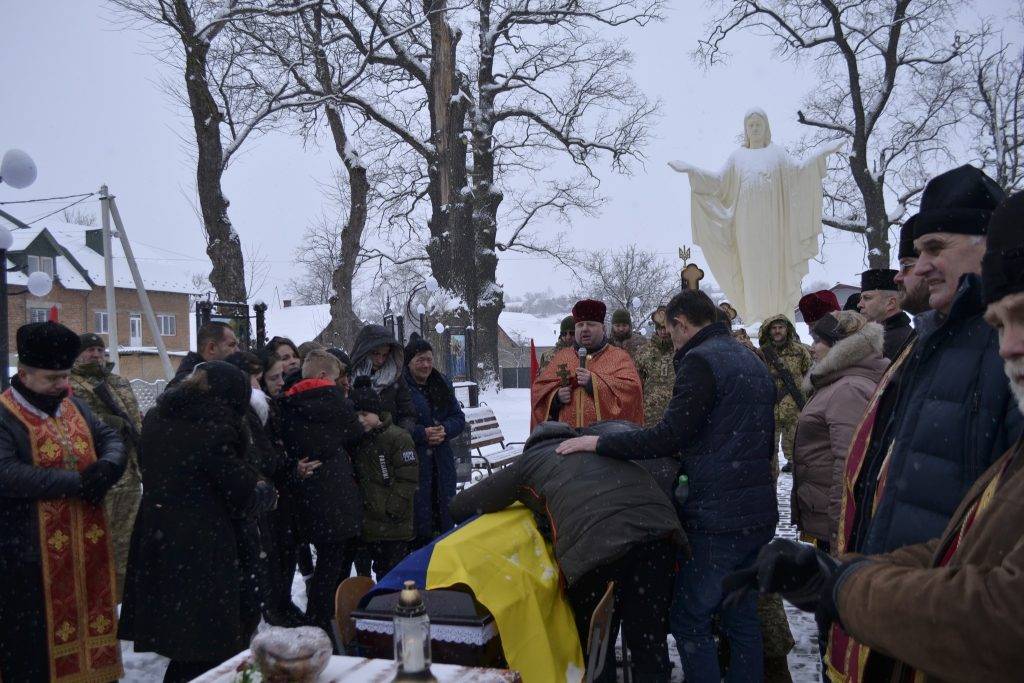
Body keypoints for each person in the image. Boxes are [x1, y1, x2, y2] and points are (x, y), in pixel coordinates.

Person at [728, 188, 1024, 683]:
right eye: (1001, 324)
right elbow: (967, 544)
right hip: (909, 620)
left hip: (934, 637)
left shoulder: (974, 359)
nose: (1011, 346)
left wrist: (846, 585)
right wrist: (839, 572)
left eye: (934, 248)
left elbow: (1004, 617)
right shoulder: (931, 344)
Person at [557, 289, 778, 683]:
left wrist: (600, 442)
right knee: (739, 615)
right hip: (757, 511)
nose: (671, 339)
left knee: (690, 617)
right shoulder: (749, 357)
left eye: (670, 330)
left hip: (717, 516)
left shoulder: (701, 361)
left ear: (679, 323)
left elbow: (670, 435)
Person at [859, 165, 1021, 557]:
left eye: (935, 248)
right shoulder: (937, 336)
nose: (922, 266)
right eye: (918, 253)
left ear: (987, 243)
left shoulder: (1008, 345)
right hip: (910, 590)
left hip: (955, 604)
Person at [451, 420, 687, 682]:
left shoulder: (531, 462)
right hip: (660, 537)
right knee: (647, 636)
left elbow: (469, 503)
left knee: (597, 645)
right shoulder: (596, 446)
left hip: (597, 549)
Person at [118, 361, 277, 683]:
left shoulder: (159, 418)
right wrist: (264, 491)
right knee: (211, 649)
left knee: (189, 644)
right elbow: (240, 490)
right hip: (206, 549)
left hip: (165, 541)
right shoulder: (214, 427)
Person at [0, 322, 126, 682]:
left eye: (64, 376)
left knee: (89, 618)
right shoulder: (5, 414)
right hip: (28, 553)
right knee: (33, 642)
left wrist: (108, 466)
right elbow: (6, 472)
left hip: (85, 550)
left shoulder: (74, 405)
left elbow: (110, 438)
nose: (61, 385)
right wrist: (77, 482)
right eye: (51, 378)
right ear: (23, 373)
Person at [278, 349, 366, 637]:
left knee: (324, 565)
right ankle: (324, 621)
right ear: (325, 376)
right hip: (337, 494)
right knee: (334, 564)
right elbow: (354, 433)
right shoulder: (333, 400)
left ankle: (320, 618)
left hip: (307, 492)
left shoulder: (288, 402)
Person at [791, 312, 888, 553]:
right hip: (825, 515)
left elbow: (847, 467)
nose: (812, 349)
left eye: (817, 342)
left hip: (834, 522)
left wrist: (838, 531)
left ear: (840, 347)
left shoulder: (848, 389)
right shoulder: (839, 382)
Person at [69, 332, 143, 601]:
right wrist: (111, 424)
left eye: (100, 350)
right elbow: (81, 422)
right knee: (98, 542)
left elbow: (134, 419)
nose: (96, 355)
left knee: (126, 543)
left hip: (130, 472)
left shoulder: (118, 382)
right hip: (103, 473)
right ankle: (98, 601)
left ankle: (122, 602)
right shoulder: (72, 385)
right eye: (89, 350)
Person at [530, 299, 643, 429]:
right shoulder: (561, 357)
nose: (584, 329)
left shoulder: (619, 357)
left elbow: (632, 394)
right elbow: (538, 393)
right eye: (580, 325)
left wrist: (594, 383)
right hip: (565, 441)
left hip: (605, 443)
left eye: (590, 324)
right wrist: (556, 398)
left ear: (603, 328)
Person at [348, 376, 419, 577]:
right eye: (356, 415)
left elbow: (408, 477)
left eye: (365, 413)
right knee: (376, 570)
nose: (360, 419)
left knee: (393, 572)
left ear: (377, 412)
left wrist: (394, 507)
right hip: (369, 525)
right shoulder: (357, 440)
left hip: (394, 523)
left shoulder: (397, 438)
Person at [403, 334, 467, 548]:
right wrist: (422, 433)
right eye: (420, 360)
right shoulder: (402, 388)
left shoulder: (441, 383)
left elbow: (458, 418)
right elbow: (398, 423)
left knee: (445, 520)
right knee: (422, 523)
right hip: (416, 463)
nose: (426, 365)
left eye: (429, 359)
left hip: (442, 461)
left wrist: (444, 430)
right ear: (409, 362)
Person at [758, 314, 812, 476]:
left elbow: (810, 375)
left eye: (780, 327)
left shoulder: (800, 351)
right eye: (774, 328)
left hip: (795, 409)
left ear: (787, 329)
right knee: (768, 454)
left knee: (798, 453)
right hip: (770, 410)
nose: (777, 331)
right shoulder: (762, 353)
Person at [350, 324, 418, 433]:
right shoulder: (349, 377)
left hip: (389, 443)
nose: (380, 360)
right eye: (376, 353)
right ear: (364, 351)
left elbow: (407, 414)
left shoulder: (395, 376)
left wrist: (396, 436)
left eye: (385, 355)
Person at [857, 269, 914, 360]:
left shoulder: (900, 341)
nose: (859, 304)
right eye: (861, 298)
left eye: (867, 298)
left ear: (890, 303)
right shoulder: (879, 337)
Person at [169, 321, 239, 387]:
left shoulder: (212, 380)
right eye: (231, 345)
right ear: (211, 348)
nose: (237, 350)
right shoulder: (192, 385)